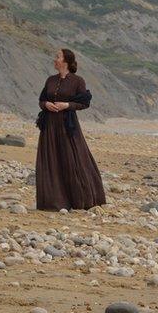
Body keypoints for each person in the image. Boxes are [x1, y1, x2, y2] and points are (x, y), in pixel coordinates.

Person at [35, 49, 106, 211]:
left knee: (73, 160)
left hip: (68, 126)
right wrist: (46, 105)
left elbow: (85, 102)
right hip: (49, 126)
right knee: (51, 160)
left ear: (65, 61)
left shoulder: (77, 81)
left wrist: (67, 105)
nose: (55, 59)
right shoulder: (50, 80)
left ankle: (80, 199)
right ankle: (53, 201)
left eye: (57, 57)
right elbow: (41, 99)